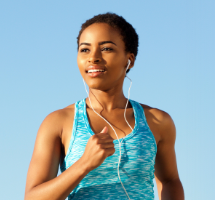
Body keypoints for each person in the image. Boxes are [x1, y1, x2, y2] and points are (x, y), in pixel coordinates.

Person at [25, 12, 184, 200]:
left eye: (106, 48)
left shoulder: (157, 121)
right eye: (85, 50)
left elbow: (170, 181)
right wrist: (84, 163)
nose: (93, 57)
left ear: (129, 60)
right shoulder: (58, 122)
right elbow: (33, 197)